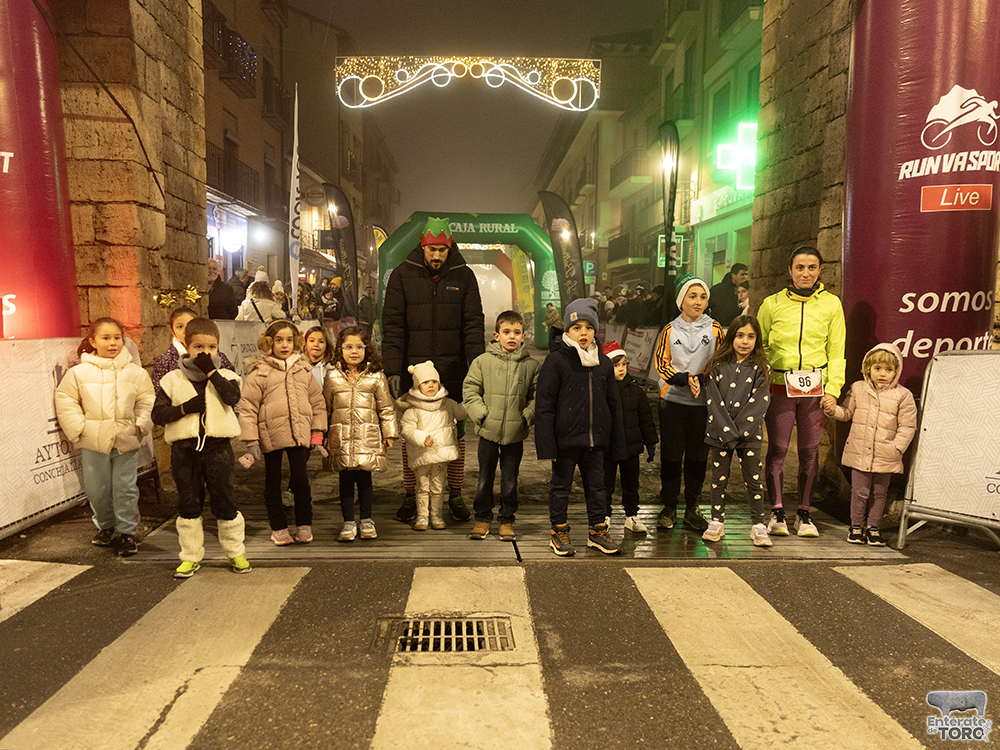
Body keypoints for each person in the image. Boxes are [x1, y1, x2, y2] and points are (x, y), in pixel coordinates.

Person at [382, 216, 485, 524]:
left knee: (455, 435)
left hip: (453, 372)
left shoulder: (464, 276)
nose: (437, 256)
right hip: (413, 373)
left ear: (449, 247)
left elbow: (473, 325)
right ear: (422, 247)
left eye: (442, 249)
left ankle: (454, 493)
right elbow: (392, 326)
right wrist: (392, 368)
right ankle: (411, 494)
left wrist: (476, 367)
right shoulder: (402, 275)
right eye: (432, 250)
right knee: (414, 435)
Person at [151, 317, 251, 577]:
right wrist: (184, 409)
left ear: (218, 349)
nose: (205, 353)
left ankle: (235, 552)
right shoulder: (172, 379)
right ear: (187, 346)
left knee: (225, 501)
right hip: (185, 450)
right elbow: (158, 414)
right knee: (189, 503)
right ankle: (191, 556)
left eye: (211, 348)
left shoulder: (227, 375)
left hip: (218, 448)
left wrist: (211, 372)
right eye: (198, 348)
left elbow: (232, 398)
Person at [758, 245, 846, 537]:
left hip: (815, 392)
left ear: (820, 270)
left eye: (811, 267)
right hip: (780, 389)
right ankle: (777, 511)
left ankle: (805, 513)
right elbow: (762, 346)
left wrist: (833, 389)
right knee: (778, 450)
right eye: (800, 267)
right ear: (790, 270)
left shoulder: (832, 304)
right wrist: (767, 375)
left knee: (810, 453)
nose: (805, 273)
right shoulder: (771, 304)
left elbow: (837, 351)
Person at [55, 318, 154, 556]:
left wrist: (140, 425)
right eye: (105, 338)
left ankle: (128, 532)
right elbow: (66, 400)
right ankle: (105, 526)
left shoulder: (136, 373)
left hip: (125, 440)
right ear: (93, 341)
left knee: (125, 488)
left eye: (117, 338)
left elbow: (147, 400)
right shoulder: (78, 373)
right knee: (97, 489)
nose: (112, 343)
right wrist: (80, 429)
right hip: (94, 442)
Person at [535, 298, 626, 556]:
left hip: (596, 440)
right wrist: (546, 444)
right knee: (560, 486)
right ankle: (559, 532)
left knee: (598, 487)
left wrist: (617, 442)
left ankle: (597, 531)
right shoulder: (556, 361)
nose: (583, 333)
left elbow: (613, 405)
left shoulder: (604, 364)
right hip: (565, 440)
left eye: (588, 327)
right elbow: (544, 405)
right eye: (577, 327)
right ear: (567, 331)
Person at [238, 320, 327, 545]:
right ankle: (278, 526)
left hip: (299, 433)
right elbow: (248, 407)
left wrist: (317, 432)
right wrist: (251, 439)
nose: (285, 345)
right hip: (270, 433)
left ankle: (304, 523)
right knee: (273, 479)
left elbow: (317, 402)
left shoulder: (304, 370)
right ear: (270, 342)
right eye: (279, 340)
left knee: (300, 479)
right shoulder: (259, 373)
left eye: (289, 340)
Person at [651, 274, 724, 532]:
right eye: (692, 296)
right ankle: (669, 504)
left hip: (703, 405)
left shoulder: (715, 329)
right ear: (681, 301)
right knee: (671, 456)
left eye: (702, 296)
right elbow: (661, 363)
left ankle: (692, 506)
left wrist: (704, 379)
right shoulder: (670, 330)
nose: (698, 302)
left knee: (697, 456)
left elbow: (721, 362)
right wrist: (684, 378)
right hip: (673, 402)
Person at [826, 343, 916, 546]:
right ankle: (856, 526)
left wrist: (896, 448)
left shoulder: (903, 395)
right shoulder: (858, 389)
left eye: (889, 369)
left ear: (896, 371)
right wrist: (833, 411)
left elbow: (908, 426)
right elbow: (847, 412)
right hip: (860, 453)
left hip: (886, 454)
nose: (882, 374)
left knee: (879, 493)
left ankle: (873, 527)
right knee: (859, 492)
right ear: (868, 368)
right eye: (877, 368)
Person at [463, 310, 540, 542]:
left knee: (510, 480)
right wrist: (481, 415)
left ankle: (507, 520)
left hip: (515, 434)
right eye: (506, 332)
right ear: (496, 335)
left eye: (517, 332)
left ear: (524, 336)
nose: (511, 337)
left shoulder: (531, 366)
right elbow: (470, 390)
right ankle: (482, 517)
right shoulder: (482, 362)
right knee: (485, 478)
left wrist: (528, 416)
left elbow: (539, 395)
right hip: (488, 432)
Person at [699, 315, 773, 546]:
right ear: (731, 337)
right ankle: (717, 521)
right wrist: (727, 432)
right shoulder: (717, 366)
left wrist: (739, 432)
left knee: (753, 480)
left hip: (749, 436)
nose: (745, 341)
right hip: (719, 435)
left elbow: (759, 403)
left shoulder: (762, 368)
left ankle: (758, 524)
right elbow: (713, 401)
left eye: (751, 336)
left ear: (757, 340)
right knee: (718, 479)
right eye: (740, 335)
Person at [324, 326, 397, 542]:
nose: (354, 351)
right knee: (345, 479)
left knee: (365, 478)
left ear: (367, 349)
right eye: (348, 346)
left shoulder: (376, 377)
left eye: (359, 346)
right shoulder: (332, 376)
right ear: (340, 349)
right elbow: (326, 408)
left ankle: (366, 519)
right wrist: (322, 434)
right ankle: (348, 521)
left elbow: (386, 407)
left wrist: (389, 433)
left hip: (368, 436)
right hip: (341, 436)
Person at [398, 360, 467, 531]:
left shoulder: (448, 403)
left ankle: (437, 515)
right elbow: (407, 429)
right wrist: (422, 438)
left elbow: (461, 412)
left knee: (437, 486)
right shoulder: (412, 409)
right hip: (422, 453)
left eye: (434, 382)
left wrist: (470, 400)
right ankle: (422, 516)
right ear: (417, 386)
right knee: (422, 486)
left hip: (441, 453)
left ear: (440, 383)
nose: (431, 385)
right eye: (426, 382)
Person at [601, 341, 657, 533]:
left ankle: (631, 516)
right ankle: (604, 516)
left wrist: (650, 442)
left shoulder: (636, 391)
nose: (621, 369)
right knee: (605, 484)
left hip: (631, 448)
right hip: (607, 448)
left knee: (631, 484)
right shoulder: (602, 392)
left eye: (623, 364)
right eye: (616, 365)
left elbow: (646, 419)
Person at [152, 306, 234, 391]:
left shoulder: (219, 358)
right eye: (180, 327)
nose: (185, 330)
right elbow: (158, 392)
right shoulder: (165, 360)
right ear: (173, 332)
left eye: (190, 325)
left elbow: (234, 389)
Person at [708, 263, 748, 327]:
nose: (745, 277)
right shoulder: (717, 290)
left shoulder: (749, 289)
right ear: (733, 275)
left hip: (739, 327)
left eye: (746, 274)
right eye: (742, 274)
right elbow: (706, 308)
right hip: (719, 328)